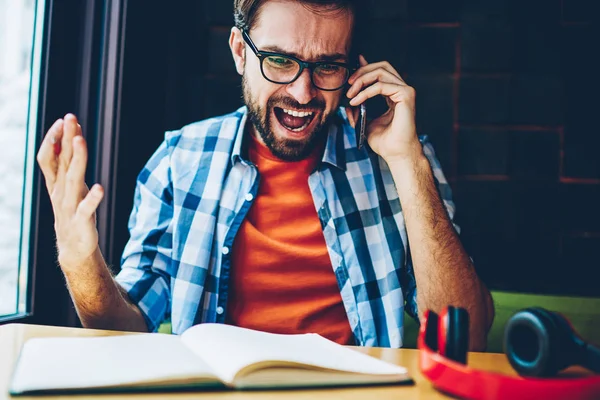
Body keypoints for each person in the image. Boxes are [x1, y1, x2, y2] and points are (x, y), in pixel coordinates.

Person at [36, 0, 494, 350]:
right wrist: (80, 260)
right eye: (279, 60)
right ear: (240, 51)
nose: (302, 91)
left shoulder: (399, 158)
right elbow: (125, 329)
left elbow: (467, 335)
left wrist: (409, 164)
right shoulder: (180, 159)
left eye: (327, 66)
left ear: (353, 70)